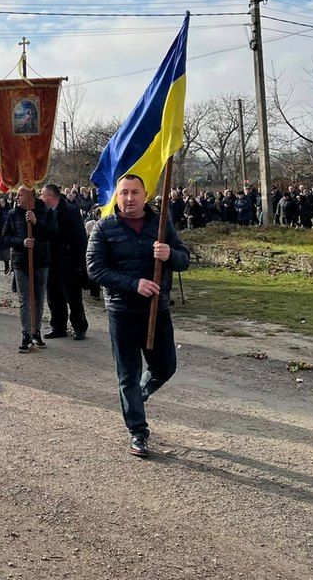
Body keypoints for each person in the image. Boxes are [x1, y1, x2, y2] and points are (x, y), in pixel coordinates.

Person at [86, 173, 190, 459]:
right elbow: (95, 269)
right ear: (116, 196)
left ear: (145, 195)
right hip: (123, 311)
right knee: (128, 375)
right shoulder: (104, 227)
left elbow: (185, 258)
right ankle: (138, 432)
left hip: (158, 309)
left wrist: (170, 254)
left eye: (134, 192)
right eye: (123, 193)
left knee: (165, 367)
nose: (129, 198)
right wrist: (134, 284)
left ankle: (137, 398)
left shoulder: (160, 224)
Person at [1, 185, 57, 354]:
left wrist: (36, 223)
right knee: (25, 300)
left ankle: (36, 332)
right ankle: (26, 334)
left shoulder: (45, 212)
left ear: (30, 196)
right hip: (21, 263)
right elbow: (5, 238)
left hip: (40, 262)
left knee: (38, 299)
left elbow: (54, 233)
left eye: (20, 195)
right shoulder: (13, 214)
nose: (17, 198)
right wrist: (21, 242)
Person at [40, 183, 89, 340]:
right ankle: (58, 327)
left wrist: (80, 264)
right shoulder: (43, 211)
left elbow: (80, 239)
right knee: (53, 297)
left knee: (73, 297)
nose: (41, 197)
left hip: (68, 261)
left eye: (42, 194)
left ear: (50, 196)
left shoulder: (70, 211)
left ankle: (79, 326)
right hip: (50, 260)